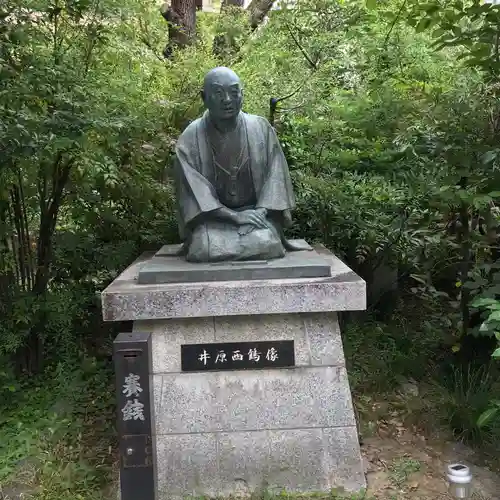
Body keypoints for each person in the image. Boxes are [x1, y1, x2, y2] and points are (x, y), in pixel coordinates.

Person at [173, 66, 307, 262]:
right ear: (204, 97)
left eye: (234, 92)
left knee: (268, 243)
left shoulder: (261, 129)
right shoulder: (190, 138)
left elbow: (275, 176)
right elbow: (193, 192)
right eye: (218, 93)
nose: (227, 99)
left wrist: (260, 213)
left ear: (242, 95)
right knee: (203, 247)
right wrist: (234, 217)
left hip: (257, 216)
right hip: (214, 220)